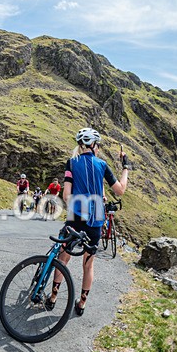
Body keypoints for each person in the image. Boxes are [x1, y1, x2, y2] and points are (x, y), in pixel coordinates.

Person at [48, 127, 131, 315]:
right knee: (88, 263)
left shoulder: (72, 163)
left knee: (64, 257)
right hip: (96, 219)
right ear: (93, 145)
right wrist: (126, 168)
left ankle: (53, 297)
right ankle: (82, 304)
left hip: (76, 216)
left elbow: (67, 195)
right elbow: (120, 190)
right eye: (98, 145)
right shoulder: (102, 165)